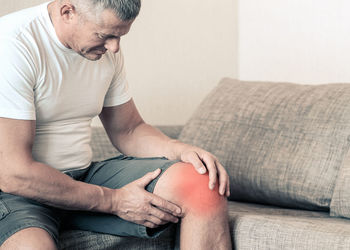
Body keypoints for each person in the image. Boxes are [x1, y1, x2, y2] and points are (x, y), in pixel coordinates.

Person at [0, 0, 232, 249]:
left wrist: (181, 150)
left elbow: (128, 130)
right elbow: (13, 173)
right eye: (105, 35)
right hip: (20, 193)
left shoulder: (103, 52)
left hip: (83, 176)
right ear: (67, 12)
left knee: (201, 182)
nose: (114, 48)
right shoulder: (13, 44)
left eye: (119, 36)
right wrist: (114, 201)